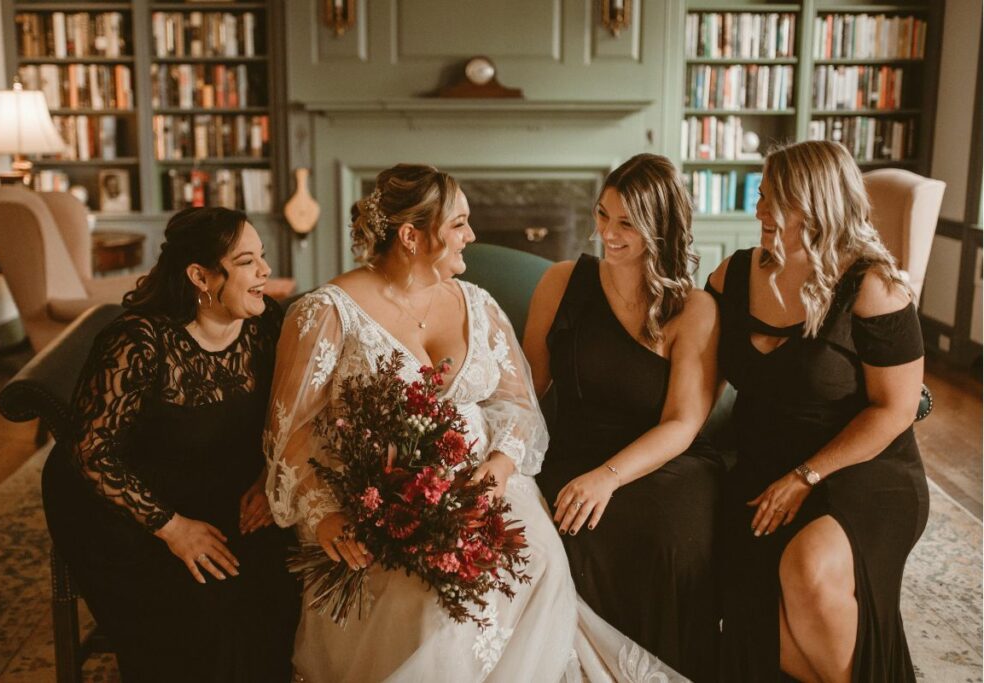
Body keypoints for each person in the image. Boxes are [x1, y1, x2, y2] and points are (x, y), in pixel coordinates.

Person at [264, 163, 685, 682]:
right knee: (433, 604)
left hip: (490, 485)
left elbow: (518, 403)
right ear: (412, 236)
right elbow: (293, 431)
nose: (473, 236)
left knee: (533, 559)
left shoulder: (479, 305)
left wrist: (500, 468)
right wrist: (325, 514)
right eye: (459, 224)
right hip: (383, 500)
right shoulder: (327, 312)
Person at [42, 207, 299, 682]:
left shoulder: (265, 325)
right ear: (200, 276)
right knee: (208, 616)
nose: (265, 271)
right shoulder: (137, 342)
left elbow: (285, 414)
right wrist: (173, 528)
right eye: (247, 262)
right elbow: (90, 455)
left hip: (215, 479)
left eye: (262, 257)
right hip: (126, 501)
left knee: (282, 586)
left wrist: (268, 476)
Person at [705, 140, 929, 682]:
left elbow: (897, 409)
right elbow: (693, 379)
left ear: (818, 204)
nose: (759, 211)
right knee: (760, 618)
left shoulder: (874, 288)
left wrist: (807, 475)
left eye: (775, 201)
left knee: (807, 570)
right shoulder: (729, 277)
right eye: (761, 196)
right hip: (762, 468)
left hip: (861, 468)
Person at [524, 153, 722, 682]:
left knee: (665, 536)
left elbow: (683, 422)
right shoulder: (561, 282)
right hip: (572, 453)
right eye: (603, 214)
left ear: (661, 227)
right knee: (565, 528)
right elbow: (525, 388)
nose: (607, 233)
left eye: (627, 222)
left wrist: (608, 478)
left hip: (663, 462)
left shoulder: (693, 308)